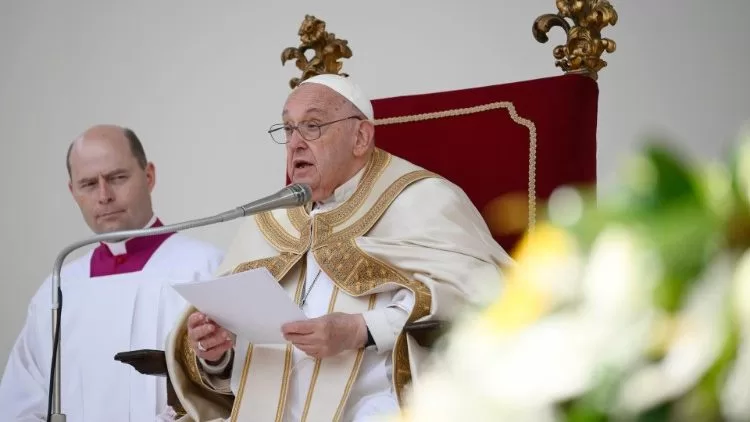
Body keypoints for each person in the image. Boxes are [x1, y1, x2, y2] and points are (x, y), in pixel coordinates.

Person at [164, 74, 513, 422]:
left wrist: (360, 330)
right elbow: (228, 350)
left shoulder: (421, 200)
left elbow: (482, 296)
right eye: (288, 129)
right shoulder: (269, 221)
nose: (295, 143)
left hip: (378, 408)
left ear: (360, 137)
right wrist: (216, 354)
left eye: (312, 126)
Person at [0, 125, 224, 421]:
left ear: (149, 176)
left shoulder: (205, 268)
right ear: (72, 191)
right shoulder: (58, 290)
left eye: (117, 178)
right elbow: (20, 403)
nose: (104, 196)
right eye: (89, 184)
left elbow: (232, 390)